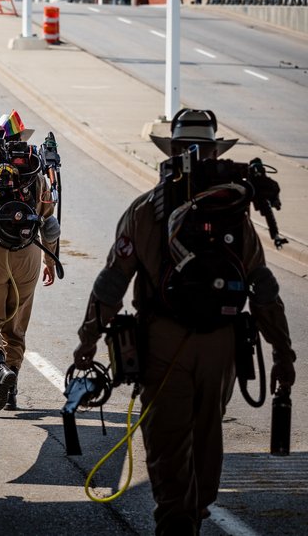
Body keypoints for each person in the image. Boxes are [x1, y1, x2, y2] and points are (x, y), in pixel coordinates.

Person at [73, 109, 296, 534]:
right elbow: (264, 292)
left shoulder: (144, 211)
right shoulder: (235, 217)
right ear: (214, 152)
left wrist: (88, 340)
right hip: (222, 348)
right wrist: (283, 354)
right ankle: (196, 512)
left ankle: (178, 519)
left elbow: (111, 282)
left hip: (163, 344)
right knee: (207, 436)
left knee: (169, 443)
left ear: (171, 151)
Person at [0, 110, 59, 412]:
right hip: (28, 251)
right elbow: (49, 220)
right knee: (15, 328)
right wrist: (49, 259)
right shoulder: (36, 169)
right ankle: (13, 387)